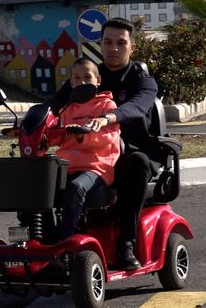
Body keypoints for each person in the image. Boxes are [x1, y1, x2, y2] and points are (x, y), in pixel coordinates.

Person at [43, 17, 159, 270]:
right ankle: (47, 241)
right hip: (88, 152)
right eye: (107, 42)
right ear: (101, 44)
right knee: (43, 170)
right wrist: (29, 122)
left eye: (120, 43)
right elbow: (53, 104)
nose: (113, 48)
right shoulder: (89, 77)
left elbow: (137, 107)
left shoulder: (143, 80)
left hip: (134, 150)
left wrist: (107, 118)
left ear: (132, 48)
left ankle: (126, 243)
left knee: (136, 163)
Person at [48, 58, 120, 241]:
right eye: (77, 78)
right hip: (66, 165)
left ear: (98, 80)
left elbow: (109, 139)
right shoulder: (66, 110)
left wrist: (82, 136)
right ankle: (42, 237)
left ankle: (66, 240)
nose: (82, 82)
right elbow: (56, 137)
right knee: (37, 186)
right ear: (71, 82)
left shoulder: (107, 106)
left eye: (87, 77)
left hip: (96, 167)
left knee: (75, 187)